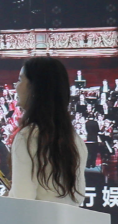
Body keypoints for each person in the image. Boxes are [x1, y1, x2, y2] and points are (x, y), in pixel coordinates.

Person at [5, 57, 88, 203]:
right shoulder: (76, 140)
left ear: (34, 88)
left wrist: (6, 198)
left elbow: (21, 200)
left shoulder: (27, 136)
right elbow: (78, 197)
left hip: (34, 218)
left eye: (20, 80)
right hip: (67, 218)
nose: (16, 86)